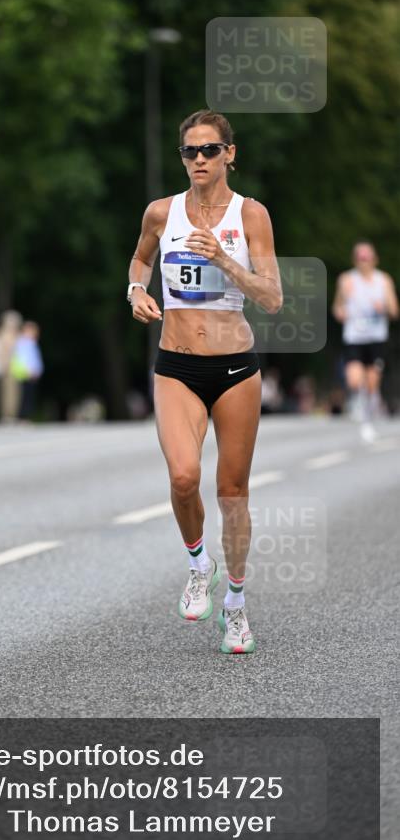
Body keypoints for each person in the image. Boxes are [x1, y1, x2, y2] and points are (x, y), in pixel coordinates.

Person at [128, 109, 282, 655]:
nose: (198, 160)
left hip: (235, 367)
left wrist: (225, 260)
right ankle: (200, 564)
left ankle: (236, 606)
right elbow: (140, 261)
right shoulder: (160, 212)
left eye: (209, 151)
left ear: (229, 155)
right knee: (183, 477)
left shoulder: (251, 215)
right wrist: (135, 293)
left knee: (232, 494)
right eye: (189, 152)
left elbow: (271, 297)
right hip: (177, 365)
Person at [332, 241, 398, 442]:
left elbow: (394, 311)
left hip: (376, 338)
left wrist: (383, 308)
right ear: (355, 260)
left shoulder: (383, 281)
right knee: (353, 378)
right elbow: (337, 308)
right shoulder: (346, 280)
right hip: (354, 337)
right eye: (360, 258)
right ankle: (360, 407)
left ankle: (369, 414)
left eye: (367, 258)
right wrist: (341, 312)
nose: (364, 262)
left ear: (374, 260)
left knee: (371, 382)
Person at [11, 321, 44, 421]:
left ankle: (25, 415)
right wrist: (29, 371)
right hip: (26, 373)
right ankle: (22, 416)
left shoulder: (32, 343)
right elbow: (24, 359)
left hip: (32, 373)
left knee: (29, 395)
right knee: (25, 396)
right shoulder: (23, 342)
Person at [0, 310, 23, 422]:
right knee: (6, 392)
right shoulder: (2, 334)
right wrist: (3, 365)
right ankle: (6, 414)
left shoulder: (19, 335)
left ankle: (14, 414)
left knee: (17, 393)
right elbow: (0, 351)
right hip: (7, 367)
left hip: (18, 368)